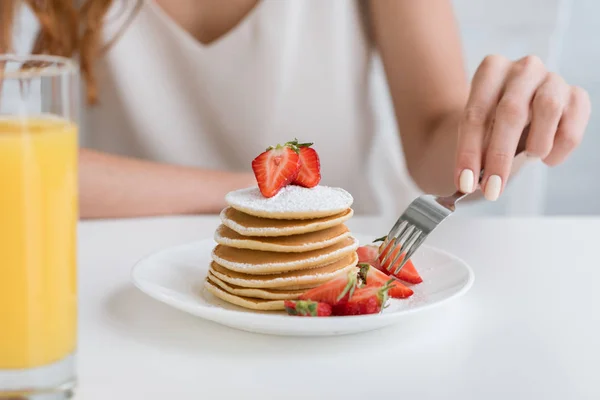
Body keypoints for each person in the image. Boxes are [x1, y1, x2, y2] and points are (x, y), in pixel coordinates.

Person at [1, 0, 591, 220]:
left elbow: (435, 146)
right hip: (126, 279)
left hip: (341, 279)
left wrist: (498, 128)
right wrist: (266, 195)